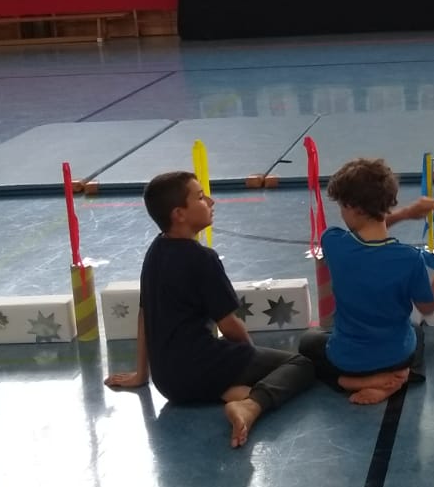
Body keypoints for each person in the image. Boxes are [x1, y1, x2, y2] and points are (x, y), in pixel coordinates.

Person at [104, 171, 316, 447]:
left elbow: (144, 314)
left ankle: (232, 391)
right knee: (301, 364)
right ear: (179, 214)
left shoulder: (155, 250)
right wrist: (250, 360)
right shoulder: (202, 259)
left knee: (225, 366)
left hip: (168, 383)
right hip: (199, 367)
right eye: (202, 197)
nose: (212, 202)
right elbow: (229, 326)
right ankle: (251, 404)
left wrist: (142, 374)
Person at [297, 157, 434, 405]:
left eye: (342, 207)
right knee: (416, 332)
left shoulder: (333, 241)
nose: (342, 214)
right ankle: (400, 377)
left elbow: (361, 232)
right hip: (396, 358)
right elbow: (428, 307)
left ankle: (351, 382)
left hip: (348, 361)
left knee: (308, 343)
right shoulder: (409, 259)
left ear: (352, 207)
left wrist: (405, 214)